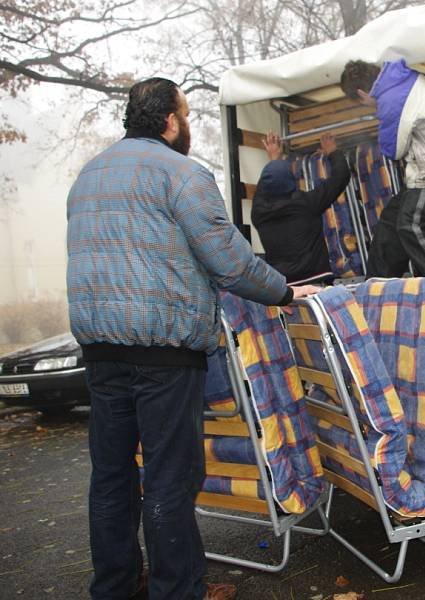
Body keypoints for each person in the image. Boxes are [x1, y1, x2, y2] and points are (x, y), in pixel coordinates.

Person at [67, 77, 318, 600]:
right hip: (164, 353)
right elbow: (228, 262)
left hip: (100, 352)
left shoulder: (87, 177)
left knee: (111, 477)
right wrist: (282, 293)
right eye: (187, 115)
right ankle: (176, 590)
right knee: (168, 478)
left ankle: (112, 587)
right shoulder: (182, 174)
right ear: (170, 122)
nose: (189, 125)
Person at [340, 58, 425, 277]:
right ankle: (379, 282)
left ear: (362, 94)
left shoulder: (392, 100)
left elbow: (393, 150)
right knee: (391, 220)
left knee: (411, 224)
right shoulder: (400, 78)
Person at [251, 131, 351, 284]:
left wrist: (273, 160)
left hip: (284, 286)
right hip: (316, 280)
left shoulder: (258, 213)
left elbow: (264, 188)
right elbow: (341, 177)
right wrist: (332, 151)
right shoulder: (306, 204)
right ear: (291, 181)